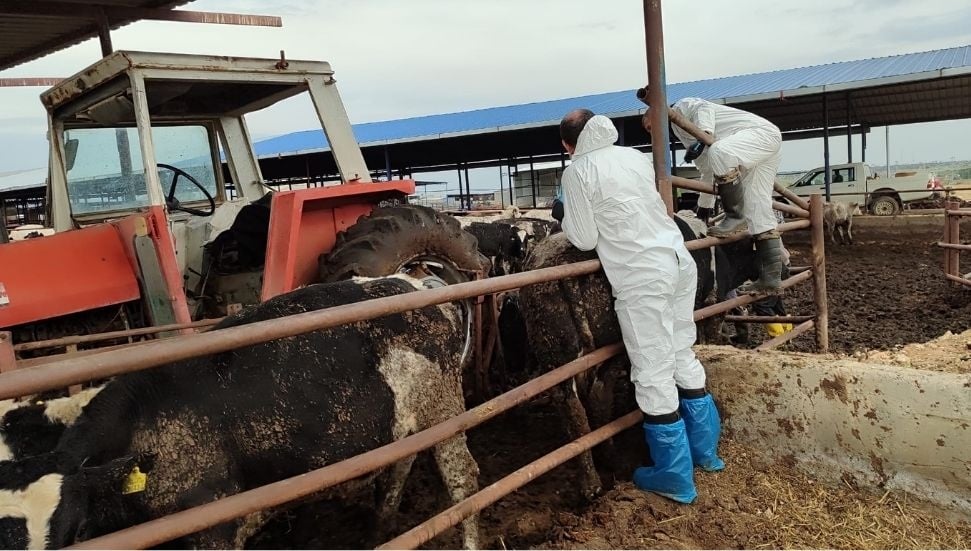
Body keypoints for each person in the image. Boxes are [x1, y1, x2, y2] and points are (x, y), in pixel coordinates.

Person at [557, 109, 724, 504]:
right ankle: (706, 453)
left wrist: (562, 213)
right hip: (678, 261)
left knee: (651, 370)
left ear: (567, 145)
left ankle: (673, 475)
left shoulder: (577, 170)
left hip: (641, 275)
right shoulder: (633, 155)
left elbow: (582, 238)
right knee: (681, 351)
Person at [668, 97, 784, 294]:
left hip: (759, 134)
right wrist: (704, 206)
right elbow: (707, 169)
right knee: (758, 208)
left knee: (720, 151)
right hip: (762, 144)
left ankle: (735, 216)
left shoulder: (678, 107)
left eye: (648, 125)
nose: (649, 130)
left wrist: (705, 132)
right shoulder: (678, 130)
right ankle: (771, 278)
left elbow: (702, 107)